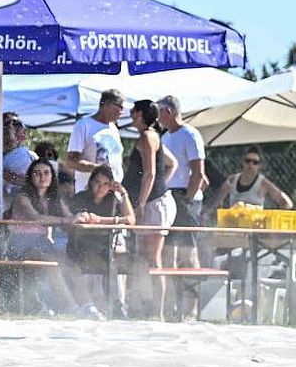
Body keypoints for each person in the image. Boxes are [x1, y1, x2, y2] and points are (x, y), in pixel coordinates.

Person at [7, 158, 87, 314]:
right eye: (37, 173)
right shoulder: (22, 197)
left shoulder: (54, 198)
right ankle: (70, 307)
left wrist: (83, 217)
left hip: (43, 243)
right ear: (30, 176)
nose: (42, 177)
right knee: (51, 263)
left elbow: (71, 218)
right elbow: (36, 218)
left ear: (52, 176)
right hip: (21, 245)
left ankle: (87, 305)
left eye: (46, 173)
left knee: (72, 265)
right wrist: (68, 220)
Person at [124, 97, 176, 316]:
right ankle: (144, 306)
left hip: (153, 203)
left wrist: (144, 202)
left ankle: (159, 312)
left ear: (140, 114)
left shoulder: (147, 136)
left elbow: (150, 172)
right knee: (143, 257)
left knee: (153, 258)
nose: (130, 116)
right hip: (153, 200)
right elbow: (172, 164)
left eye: (133, 112)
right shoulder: (153, 136)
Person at [67, 164, 135, 314]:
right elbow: (78, 219)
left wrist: (123, 193)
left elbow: (131, 220)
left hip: (105, 249)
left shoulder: (113, 200)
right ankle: (92, 306)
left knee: (124, 263)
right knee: (107, 264)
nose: (101, 187)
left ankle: (118, 305)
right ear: (91, 182)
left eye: (105, 184)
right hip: (81, 248)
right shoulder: (81, 198)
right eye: (97, 182)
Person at [156, 95, 207, 272]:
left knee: (188, 254)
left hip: (186, 197)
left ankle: (191, 299)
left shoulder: (190, 134)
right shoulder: (165, 137)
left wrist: (188, 199)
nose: (157, 118)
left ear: (168, 111)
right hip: (170, 196)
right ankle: (171, 300)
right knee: (168, 253)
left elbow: (199, 173)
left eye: (159, 113)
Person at [65, 88, 126, 195]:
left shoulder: (113, 128)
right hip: (89, 194)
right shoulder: (83, 125)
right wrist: (99, 169)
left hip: (112, 194)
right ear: (107, 105)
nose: (122, 112)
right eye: (120, 107)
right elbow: (71, 162)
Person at [218, 146, 292, 210]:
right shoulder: (232, 180)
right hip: (234, 223)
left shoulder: (263, 183)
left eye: (255, 162)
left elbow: (286, 203)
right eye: (247, 161)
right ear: (243, 162)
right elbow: (218, 200)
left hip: (255, 224)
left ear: (259, 166)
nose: (250, 165)